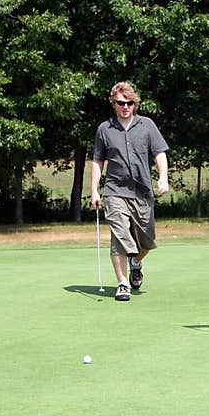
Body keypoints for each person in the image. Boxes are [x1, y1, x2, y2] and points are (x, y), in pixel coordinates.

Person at [90, 82, 169, 301]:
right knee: (119, 235)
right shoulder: (105, 129)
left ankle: (136, 262)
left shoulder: (147, 125)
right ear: (113, 103)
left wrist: (163, 177)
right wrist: (94, 190)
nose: (126, 106)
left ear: (135, 104)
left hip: (142, 192)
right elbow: (98, 160)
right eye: (121, 103)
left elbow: (160, 154)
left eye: (130, 102)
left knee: (147, 242)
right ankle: (122, 283)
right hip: (115, 191)